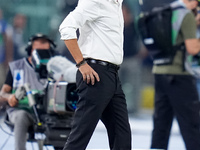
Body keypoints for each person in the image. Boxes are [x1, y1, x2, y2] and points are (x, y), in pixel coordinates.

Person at [59, 0, 132, 150]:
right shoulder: (95, 1)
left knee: (121, 134)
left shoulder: (116, 4)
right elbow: (66, 27)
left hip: (111, 74)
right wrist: (81, 63)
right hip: (94, 74)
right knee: (81, 135)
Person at [150, 0, 200, 150]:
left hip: (159, 71)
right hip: (179, 75)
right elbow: (192, 49)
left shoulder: (167, 12)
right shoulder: (187, 15)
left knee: (161, 123)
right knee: (192, 123)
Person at [0, 33, 56, 150]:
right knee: (21, 116)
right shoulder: (17, 67)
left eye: (44, 51)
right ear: (30, 50)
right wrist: (11, 97)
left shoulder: (56, 69)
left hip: (49, 112)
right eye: (38, 50)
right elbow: (3, 94)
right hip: (22, 110)